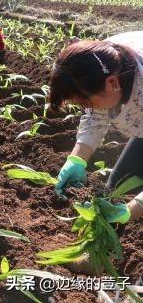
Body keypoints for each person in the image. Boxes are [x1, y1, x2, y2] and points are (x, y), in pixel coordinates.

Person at [50, 34, 143, 198]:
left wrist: (133, 209)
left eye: (87, 103)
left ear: (113, 83)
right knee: (116, 193)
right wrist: (76, 159)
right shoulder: (103, 63)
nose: (88, 109)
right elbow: (95, 117)